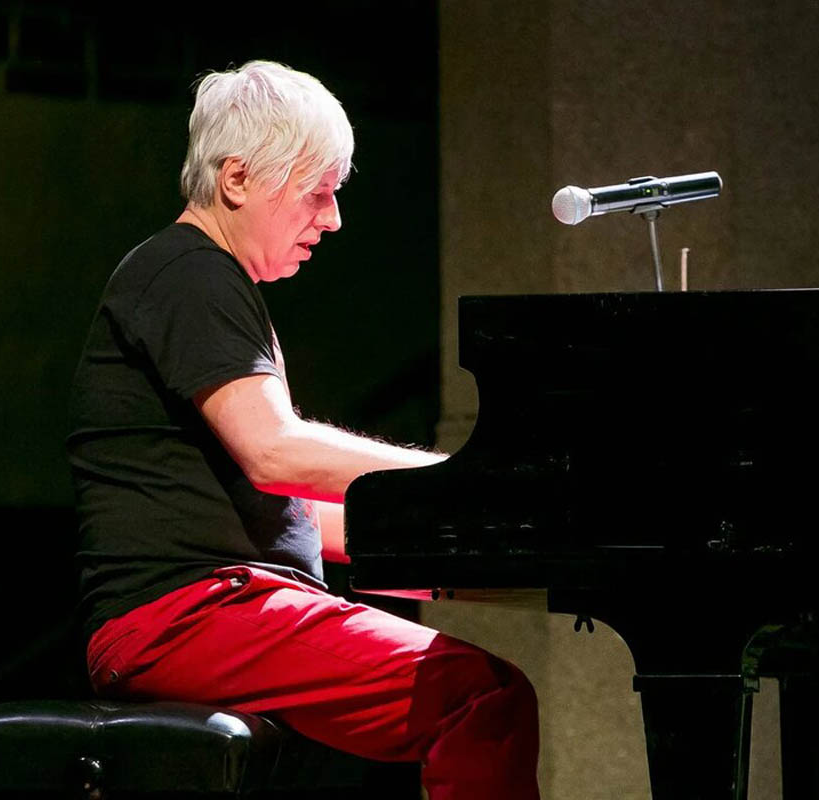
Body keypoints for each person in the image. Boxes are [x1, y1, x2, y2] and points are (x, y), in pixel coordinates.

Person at [66, 60, 539, 800]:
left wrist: (470, 546)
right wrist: (457, 480)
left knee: (464, 702)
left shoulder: (205, 281)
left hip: (213, 608)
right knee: (480, 699)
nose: (333, 217)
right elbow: (275, 451)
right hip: (187, 615)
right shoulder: (188, 274)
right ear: (237, 179)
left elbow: (295, 516)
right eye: (317, 191)